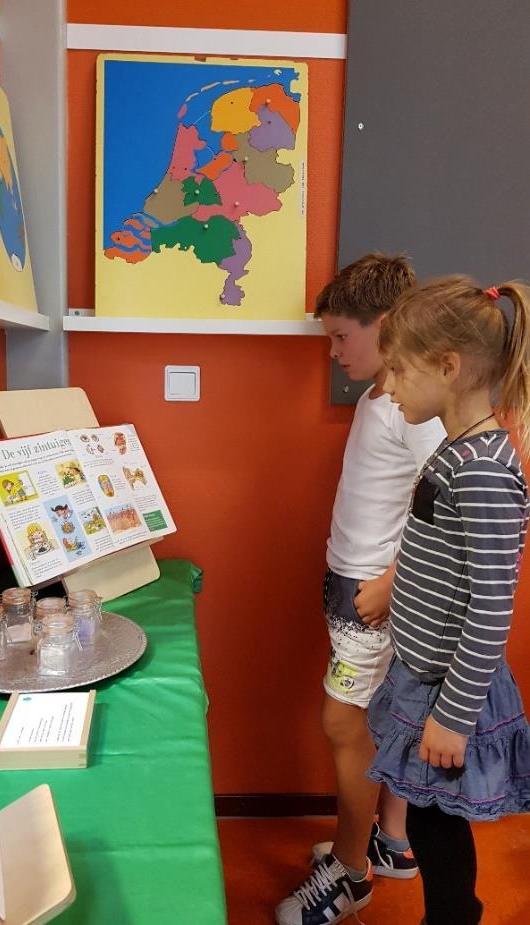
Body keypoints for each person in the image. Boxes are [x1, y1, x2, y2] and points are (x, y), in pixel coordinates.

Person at [276, 254, 446, 925]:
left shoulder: (414, 406)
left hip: (374, 596)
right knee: (384, 719)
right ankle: (392, 841)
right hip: (356, 588)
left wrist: (392, 582)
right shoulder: (385, 394)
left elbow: (451, 505)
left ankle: (351, 873)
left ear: (386, 324)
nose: (331, 350)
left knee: (343, 725)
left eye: (341, 336)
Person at [365, 276, 530, 925]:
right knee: (430, 823)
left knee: (437, 826)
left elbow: (490, 605)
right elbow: (442, 558)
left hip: (449, 692)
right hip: (420, 674)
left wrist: (454, 716)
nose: (388, 387)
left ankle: (454, 916)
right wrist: (396, 591)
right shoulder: (457, 448)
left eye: (398, 371)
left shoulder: (484, 467)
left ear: (447, 366)